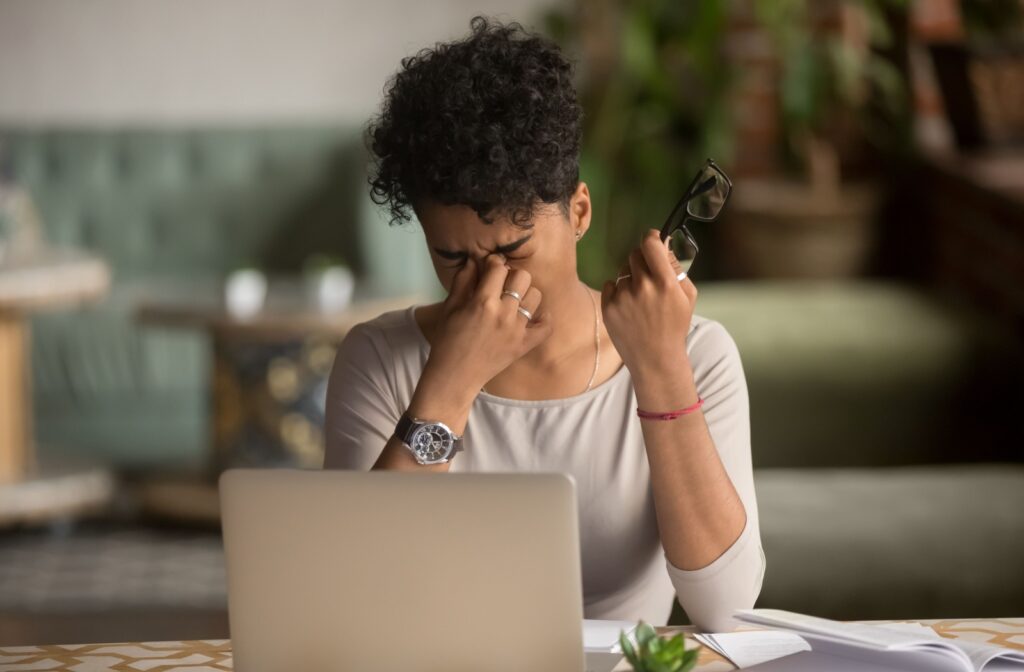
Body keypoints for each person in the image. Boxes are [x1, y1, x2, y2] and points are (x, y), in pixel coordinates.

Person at [323, 16, 765, 633]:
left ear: (579, 212)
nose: (488, 283)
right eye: (452, 258)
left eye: (516, 249)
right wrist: (450, 381)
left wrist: (661, 367)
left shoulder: (698, 354)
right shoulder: (379, 360)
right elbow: (357, 601)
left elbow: (727, 608)